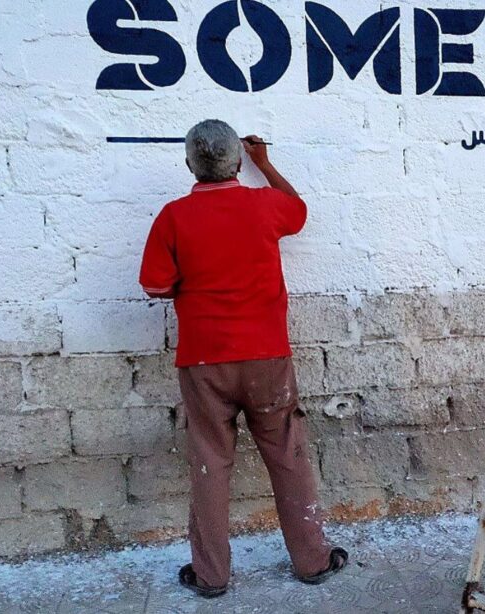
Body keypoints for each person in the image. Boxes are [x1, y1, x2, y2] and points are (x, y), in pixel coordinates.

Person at [139, 119, 347, 598]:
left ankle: (211, 576)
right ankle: (313, 560)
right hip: (267, 357)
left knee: (210, 463)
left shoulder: (173, 217)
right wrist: (266, 164)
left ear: (190, 163)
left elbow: (155, 286)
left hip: (204, 361)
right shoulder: (264, 205)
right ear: (236, 162)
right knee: (288, 455)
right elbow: (298, 210)